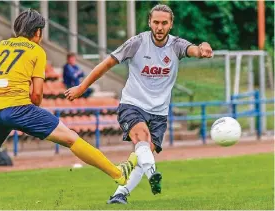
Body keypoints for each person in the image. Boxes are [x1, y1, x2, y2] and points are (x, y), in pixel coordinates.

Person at [0, 9, 137, 210]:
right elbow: (37, 94)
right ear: (38, 32)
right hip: (19, 108)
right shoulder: (36, 50)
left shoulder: (0, 46)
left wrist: (1, 88)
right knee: (71, 138)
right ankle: (118, 174)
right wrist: (28, 105)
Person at [65, 4, 213, 204]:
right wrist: (82, 87)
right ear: (150, 22)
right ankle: (153, 175)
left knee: (143, 155)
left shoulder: (176, 44)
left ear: (171, 25)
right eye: (156, 22)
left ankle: (120, 194)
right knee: (142, 139)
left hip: (159, 112)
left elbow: (193, 49)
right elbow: (105, 64)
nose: (159, 27)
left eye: (164, 23)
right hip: (132, 105)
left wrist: (203, 47)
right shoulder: (136, 43)